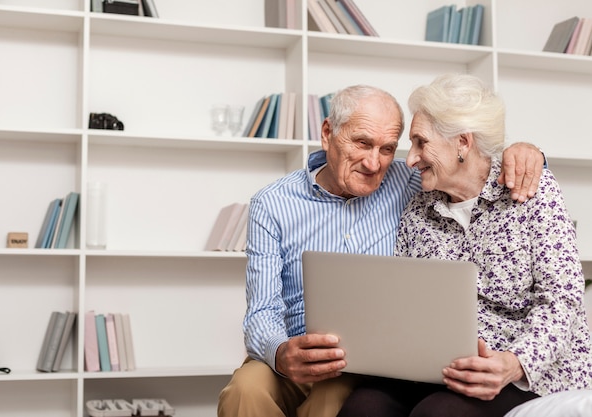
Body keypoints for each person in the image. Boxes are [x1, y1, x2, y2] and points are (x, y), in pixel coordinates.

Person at [217, 84, 546, 417]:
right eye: (362, 143)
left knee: (334, 401)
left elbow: (468, 168)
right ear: (328, 133)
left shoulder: (409, 181)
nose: (374, 163)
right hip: (292, 347)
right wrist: (280, 353)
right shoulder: (272, 203)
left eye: (387, 148)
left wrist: (523, 152)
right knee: (245, 390)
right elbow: (261, 311)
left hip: (360, 358)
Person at [336, 74, 592, 417]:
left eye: (420, 142)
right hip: (440, 366)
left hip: (526, 371)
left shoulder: (531, 190)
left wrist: (514, 363)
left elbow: (563, 298)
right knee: (363, 406)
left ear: (463, 142)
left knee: (439, 414)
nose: (410, 159)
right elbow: (408, 306)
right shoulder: (419, 209)